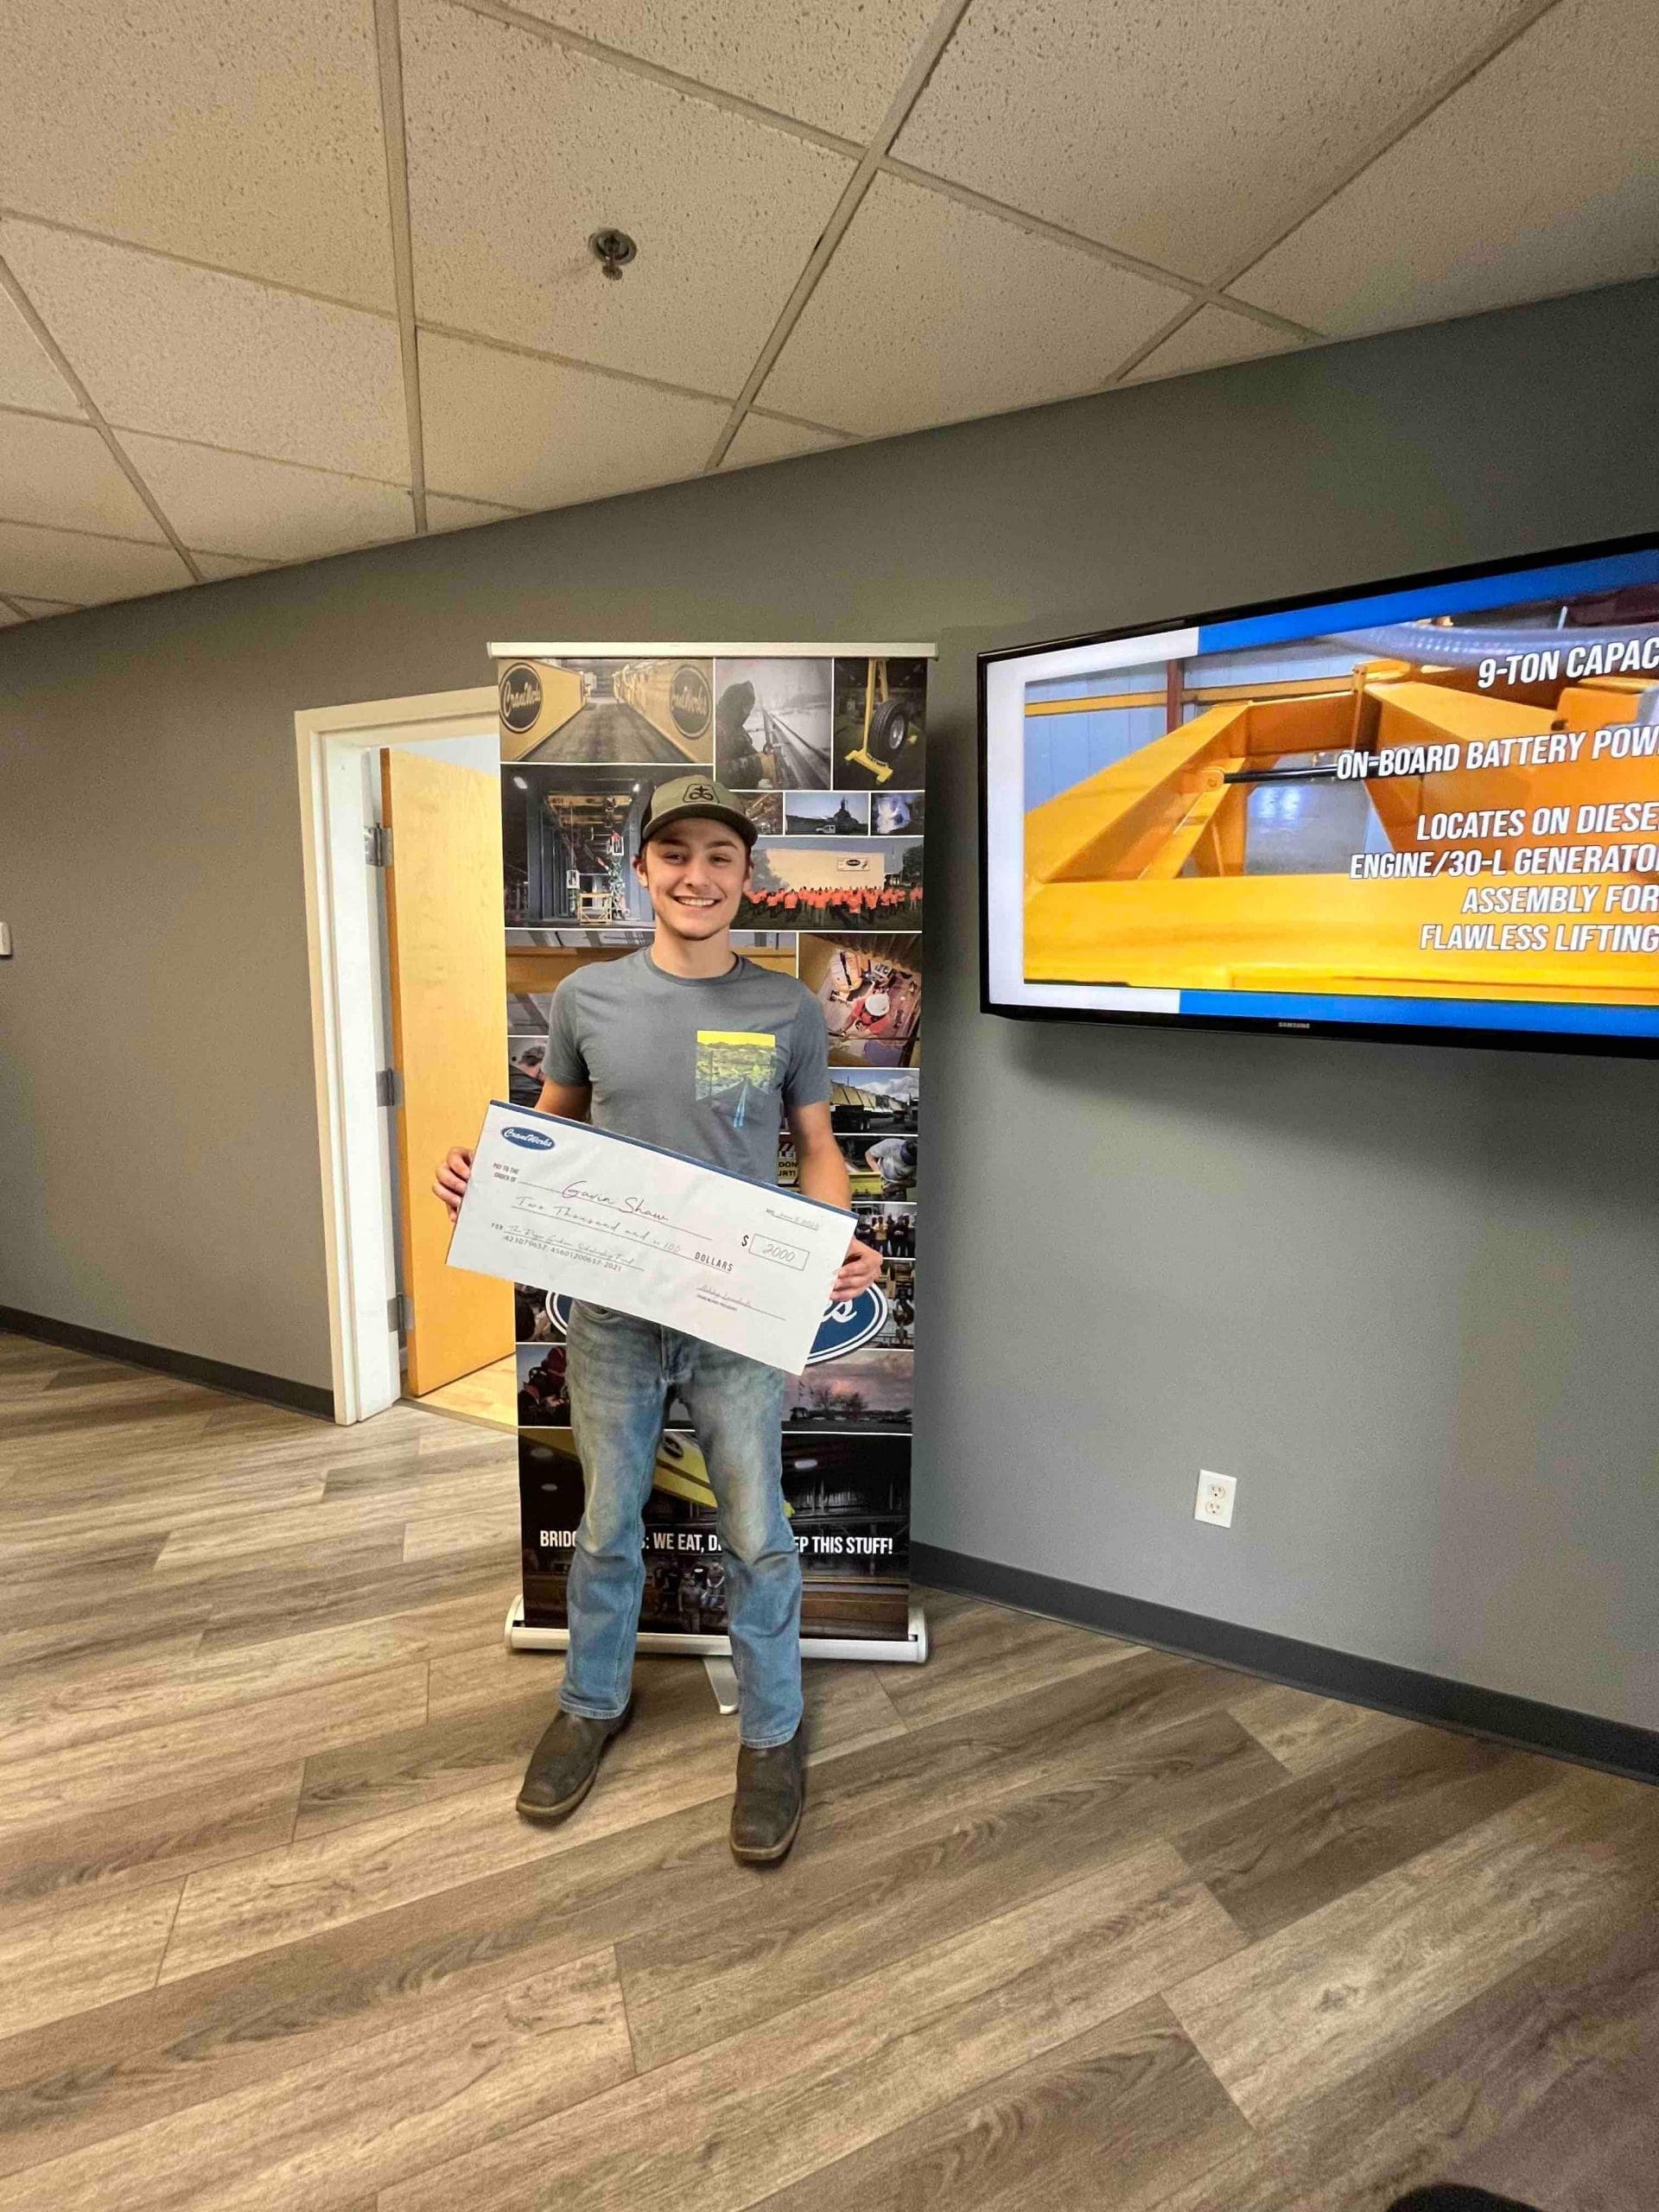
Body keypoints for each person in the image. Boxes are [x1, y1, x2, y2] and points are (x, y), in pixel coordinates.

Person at [435, 772, 877, 1866]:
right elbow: (555, 1133)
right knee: (603, 1526)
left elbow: (816, 1148)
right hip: (615, 1322)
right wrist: (493, 1182)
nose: (697, 874)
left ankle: (772, 1731)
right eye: (674, 853)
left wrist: (834, 1243)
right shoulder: (589, 999)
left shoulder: (785, 1007)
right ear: (641, 869)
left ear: (744, 876)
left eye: (720, 856)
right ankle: (592, 1703)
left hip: (735, 1317)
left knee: (759, 1534)